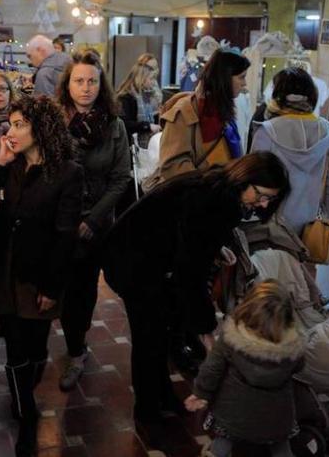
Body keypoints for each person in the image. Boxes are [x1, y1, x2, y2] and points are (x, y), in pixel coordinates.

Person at [102, 152, 290, 455]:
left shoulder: (221, 189)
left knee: (163, 330)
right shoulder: (214, 200)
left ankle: (163, 397)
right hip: (131, 260)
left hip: (152, 257)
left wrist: (218, 249)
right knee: (149, 336)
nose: (264, 204)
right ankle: (147, 414)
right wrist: (206, 329)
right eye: (262, 195)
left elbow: (192, 244)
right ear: (245, 179)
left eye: (271, 199)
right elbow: (190, 270)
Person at [0, 95, 84, 456]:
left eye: (20, 125)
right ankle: (25, 411)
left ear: (41, 130)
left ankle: (24, 394)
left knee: (35, 346)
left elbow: (64, 235)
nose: (11, 131)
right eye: (10, 124)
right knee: (13, 344)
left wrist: (52, 286)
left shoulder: (68, 172)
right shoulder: (8, 165)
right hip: (4, 271)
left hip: (38, 274)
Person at [56, 49, 132, 391]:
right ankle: (68, 348)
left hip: (98, 222)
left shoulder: (114, 126)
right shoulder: (54, 122)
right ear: (67, 84)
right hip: (61, 220)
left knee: (85, 291)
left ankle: (77, 347)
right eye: (79, 81)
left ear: (102, 85)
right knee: (62, 288)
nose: (85, 87)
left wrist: (94, 219)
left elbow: (121, 178)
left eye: (92, 81)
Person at [185, 280, 305, 457]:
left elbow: (211, 370)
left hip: (233, 414)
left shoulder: (231, 339)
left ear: (248, 306)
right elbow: (300, 366)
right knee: (280, 446)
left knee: (223, 441)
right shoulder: (293, 348)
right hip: (277, 417)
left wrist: (201, 393)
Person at [249, 67, 329, 234]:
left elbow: (253, 180)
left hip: (271, 226)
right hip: (310, 226)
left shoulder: (267, 130)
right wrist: (325, 216)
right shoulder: (327, 130)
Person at [154, 50, 251, 185]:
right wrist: (205, 188)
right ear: (225, 77)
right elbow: (172, 165)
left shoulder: (223, 109)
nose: (244, 83)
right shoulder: (184, 112)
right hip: (197, 197)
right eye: (241, 77)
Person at [116, 53, 163, 147]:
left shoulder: (145, 95)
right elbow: (124, 124)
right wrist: (147, 126)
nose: (154, 82)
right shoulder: (127, 96)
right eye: (151, 79)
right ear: (142, 78)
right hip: (129, 146)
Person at [263, 58, 329, 118]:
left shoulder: (279, 81)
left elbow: (267, 101)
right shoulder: (320, 84)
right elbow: (324, 110)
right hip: (310, 126)